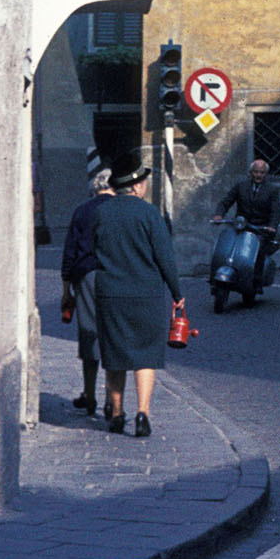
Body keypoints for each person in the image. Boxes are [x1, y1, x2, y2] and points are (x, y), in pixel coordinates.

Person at [93, 150, 184, 438]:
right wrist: (177, 292)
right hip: (147, 294)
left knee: (115, 354)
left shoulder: (100, 213)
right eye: (143, 181)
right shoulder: (149, 214)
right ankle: (143, 414)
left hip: (111, 294)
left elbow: (94, 251)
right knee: (145, 356)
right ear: (136, 185)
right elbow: (165, 257)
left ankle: (117, 413)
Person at [60, 161, 114, 417]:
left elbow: (70, 251)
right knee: (114, 336)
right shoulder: (119, 209)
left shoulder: (82, 210)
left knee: (89, 334)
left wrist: (66, 288)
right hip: (116, 275)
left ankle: (90, 394)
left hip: (88, 276)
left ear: (95, 189)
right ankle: (113, 399)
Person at [213, 158, 280, 290]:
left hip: (260, 229)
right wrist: (219, 214)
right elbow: (226, 201)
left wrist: (272, 226)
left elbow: (276, 211)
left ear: (265, 174)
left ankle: (256, 281)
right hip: (241, 226)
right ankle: (215, 278)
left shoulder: (271, 190)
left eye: (261, 172)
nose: (258, 175)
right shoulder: (241, 186)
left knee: (259, 250)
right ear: (251, 172)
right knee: (227, 244)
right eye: (256, 172)